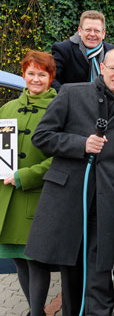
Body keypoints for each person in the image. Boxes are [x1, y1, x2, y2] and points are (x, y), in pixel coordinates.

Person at [25, 48, 114, 316]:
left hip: (106, 200)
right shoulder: (72, 93)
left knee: (99, 268)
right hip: (68, 197)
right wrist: (81, 144)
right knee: (70, 271)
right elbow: (42, 137)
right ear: (103, 67)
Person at [0, 51, 57, 316]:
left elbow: (62, 157)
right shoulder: (8, 108)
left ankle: (36, 314)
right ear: (23, 74)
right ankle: (38, 311)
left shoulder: (60, 108)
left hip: (38, 196)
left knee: (36, 262)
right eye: (30, 73)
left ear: (50, 77)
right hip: (7, 200)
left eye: (41, 74)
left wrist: (26, 176)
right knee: (18, 262)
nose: (35, 79)